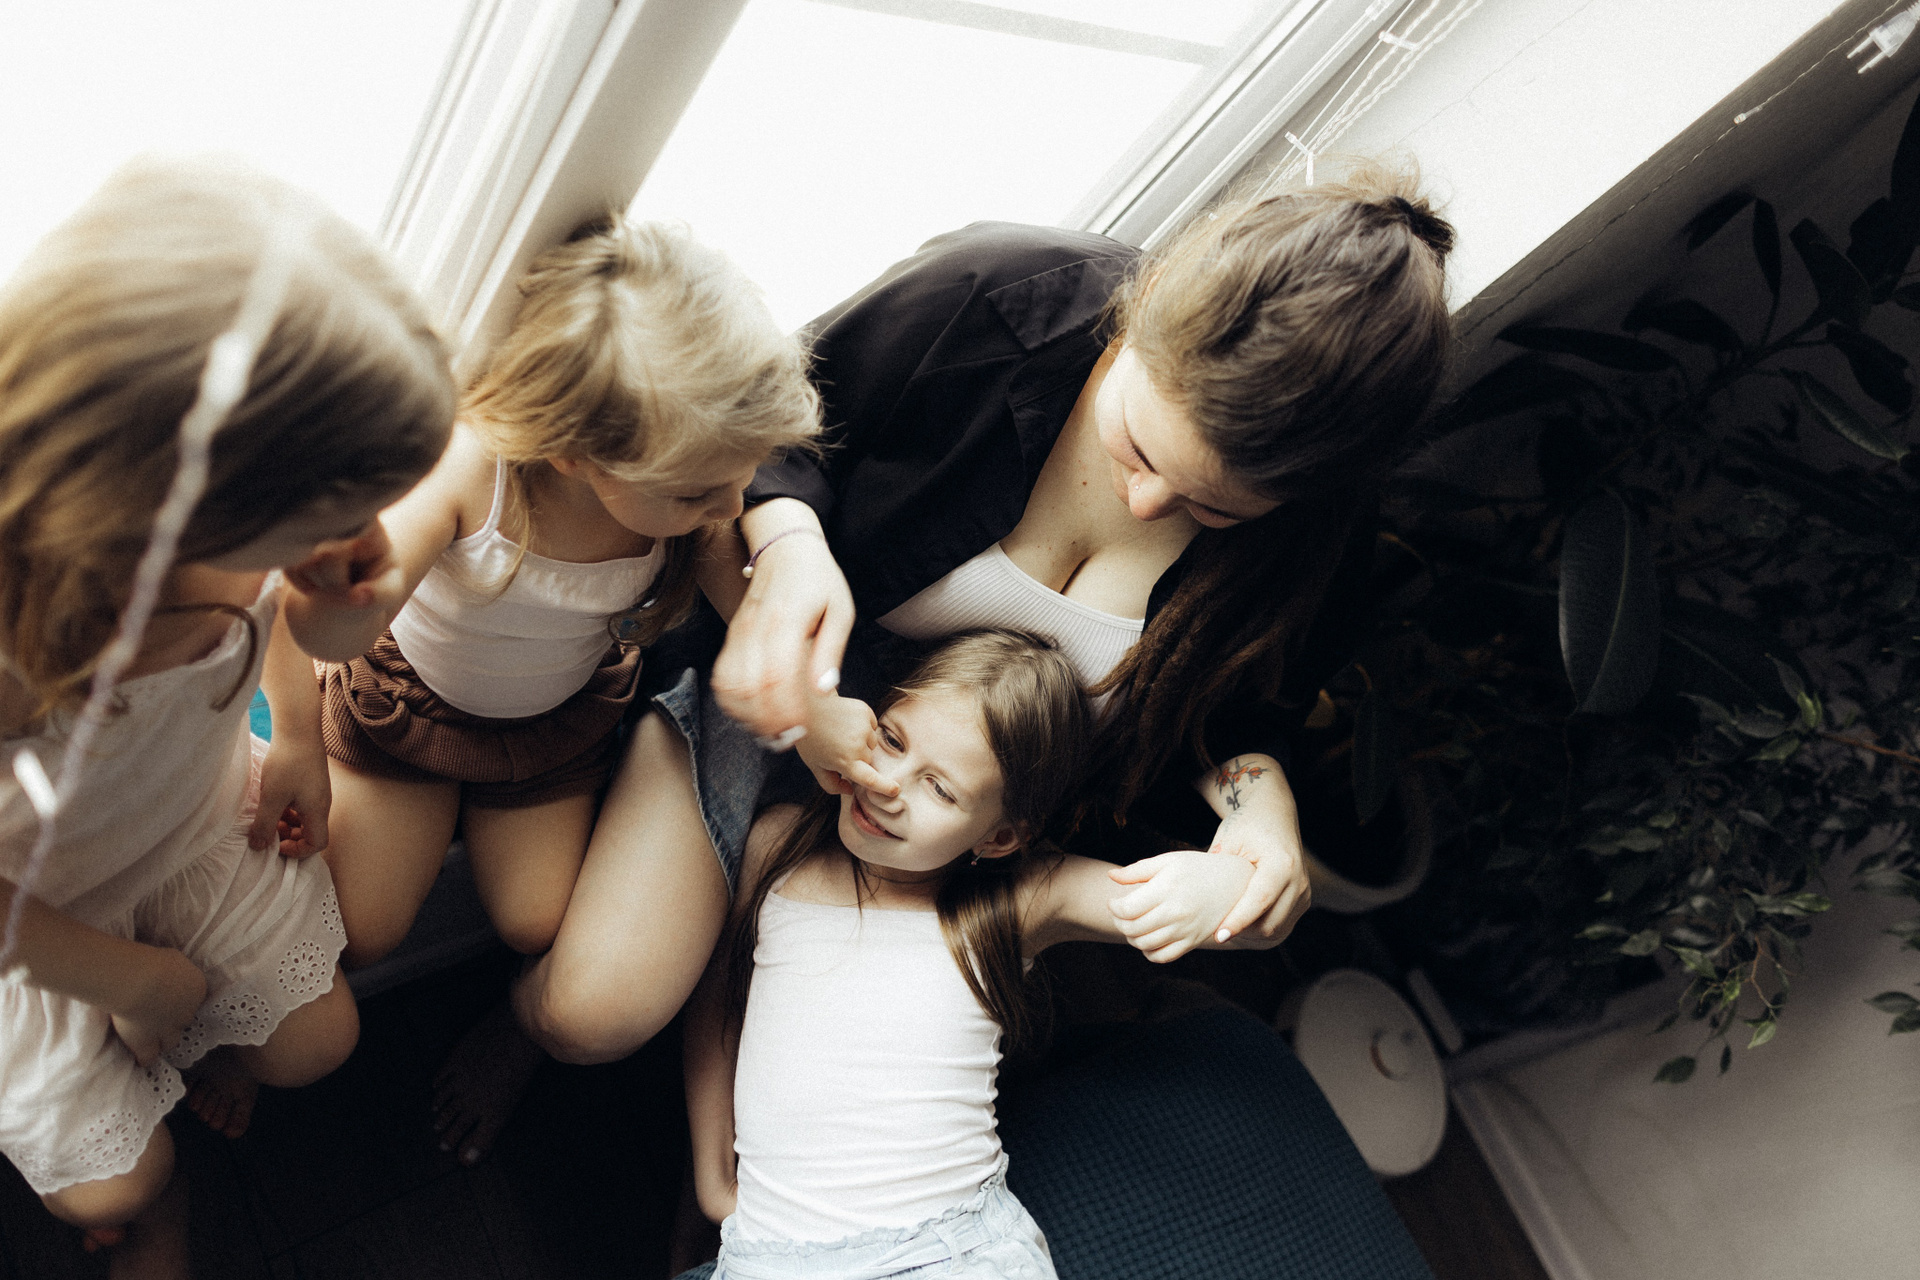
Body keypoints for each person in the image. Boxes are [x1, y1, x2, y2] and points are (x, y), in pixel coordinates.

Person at [711, 163, 1455, 953]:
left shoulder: (1318, 533)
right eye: (1137, 446)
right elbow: (755, 435)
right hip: (748, 705)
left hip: (954, 869)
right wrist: (790, 551)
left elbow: (1237, 719)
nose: (1146, 503)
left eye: (1213, 509)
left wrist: (1264, 820)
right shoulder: (992, 295)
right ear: (1146, 304)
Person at [0, 157, 455, 1276]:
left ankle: (200, 1047)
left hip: (187, 826)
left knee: (318, 1041)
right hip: (34, 924)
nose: (363, 533)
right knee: (119, 1182)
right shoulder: (23, 647)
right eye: (340, 513)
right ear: (183, 509)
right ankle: (162, 1204)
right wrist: (132, 980)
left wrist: (298, 728)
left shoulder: (233, 541)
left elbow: (306, 621)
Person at [312, 216, 820, 1163]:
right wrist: (333, 588)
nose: (733, 509)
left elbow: (746, 602)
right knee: (363, 931)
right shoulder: (474, 472)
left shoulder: (691, 504)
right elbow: (350, 613)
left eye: (739, 483)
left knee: (535, 920)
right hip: (407, 715)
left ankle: (509, 1010)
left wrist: (793, 670)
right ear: (578, 454)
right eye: (701, 492)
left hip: (549, 729)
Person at [685, 630, 1275, 1278]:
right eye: (892, 740)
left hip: (948, 1254)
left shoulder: (1023, 899)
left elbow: (1253, 917)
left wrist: (1218, 876)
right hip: (767, 1252)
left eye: (940, 789)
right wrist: (713, 1174)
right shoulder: (778, 844)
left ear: (997, 839)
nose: (887, 785)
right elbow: (721, 999)